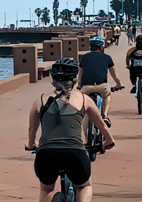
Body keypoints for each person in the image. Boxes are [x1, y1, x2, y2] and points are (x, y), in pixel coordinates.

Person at [27, 58, 114, 202]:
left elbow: (32, 130)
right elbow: (101, 125)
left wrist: (31, 144)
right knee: (84, 186)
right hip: (75, 153)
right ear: (74, 79)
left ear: (53, 78)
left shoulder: (40, 100)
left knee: (46, 189)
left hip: (46, 154)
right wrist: (109, 142)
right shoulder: (84, 99)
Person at [77, 37, 123, 127]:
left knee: (86, 109)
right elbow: (114, 75)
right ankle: (105, 116)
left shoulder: (83, 57)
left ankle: (86, 136)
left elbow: (80, 75)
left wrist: (79, 86)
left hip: (86, 87)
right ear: (101, 47)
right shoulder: (107, 57)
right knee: (107, 95)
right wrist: (119, 85)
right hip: (101, 86)